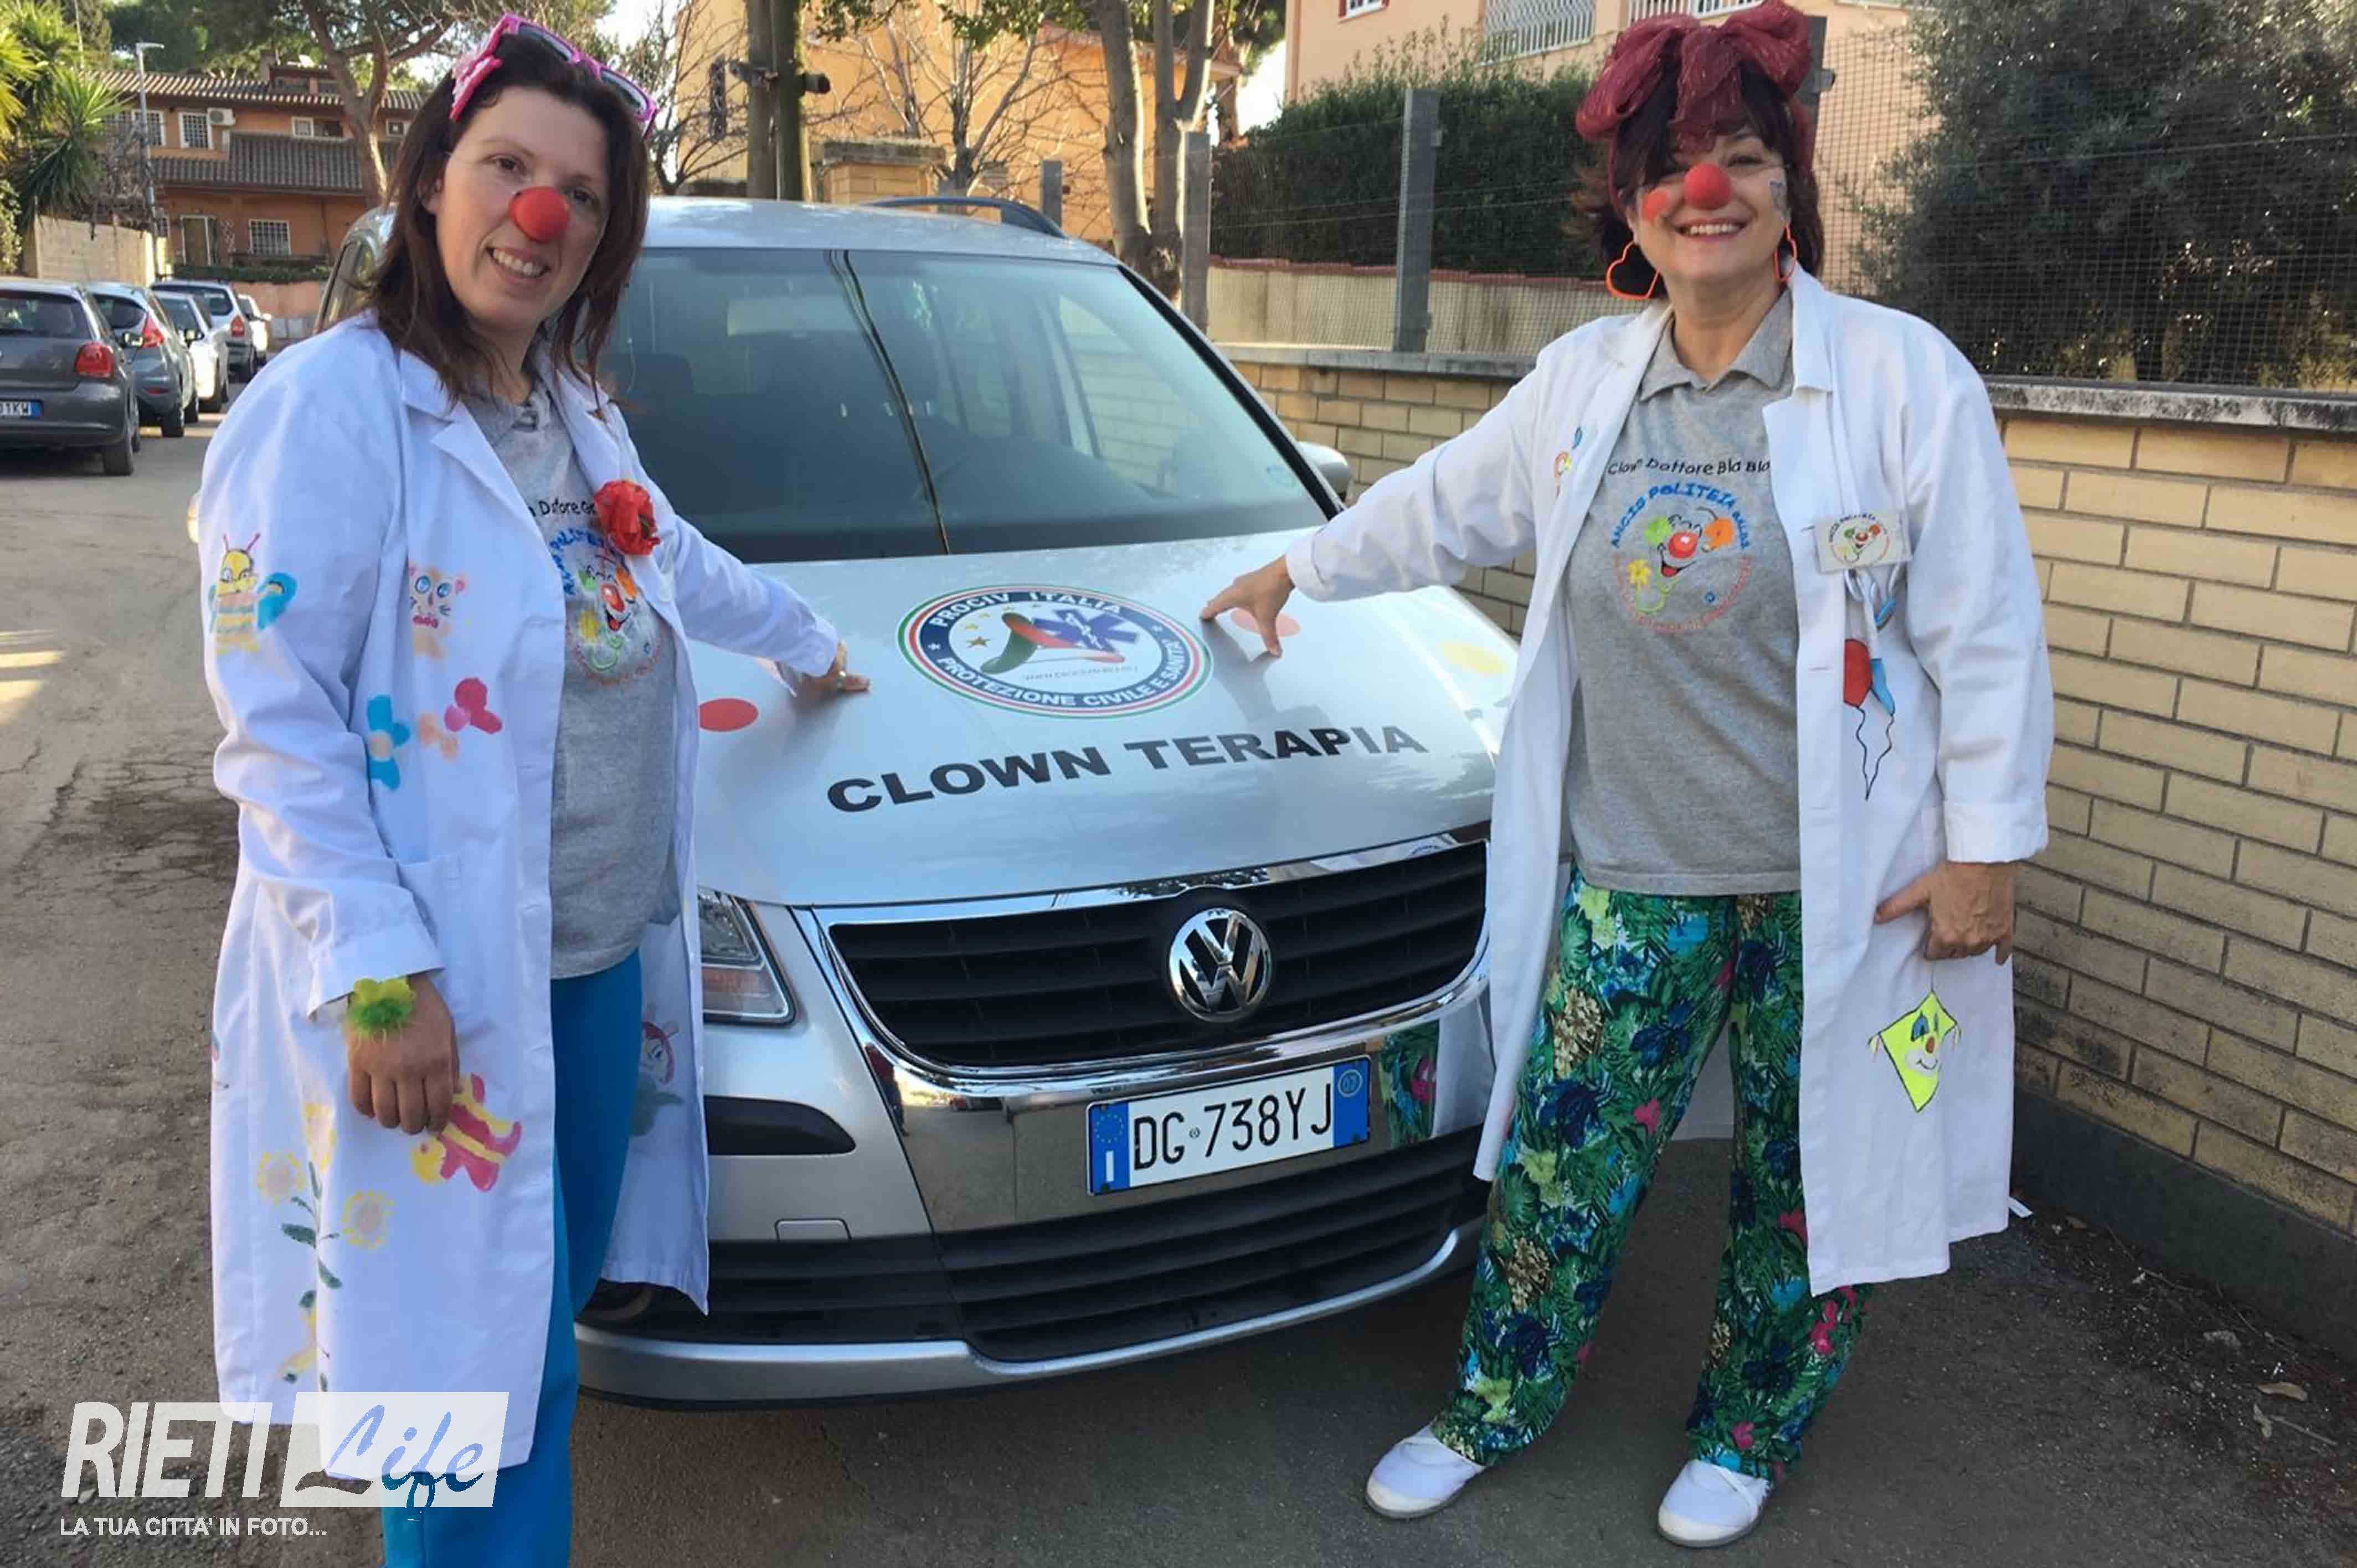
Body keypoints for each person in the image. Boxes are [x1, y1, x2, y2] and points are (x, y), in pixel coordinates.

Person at [1202, 1, 2052, 1548]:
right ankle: (1494, 1405)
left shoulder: (1899, 380)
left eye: (1742, 157)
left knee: (1808, 1184)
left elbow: (1983, 629)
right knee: (1562, 1166)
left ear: (1789, 185)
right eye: (1673, 165)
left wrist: (1987, 852)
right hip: (1636, 874)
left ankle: (1748, 1432)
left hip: (1846, 891)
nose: (1706, 190)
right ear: (1633, 203)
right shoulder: (1585, 381)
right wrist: (1294, 571)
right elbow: (1441, 506)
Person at [197, 17, 868, 1564]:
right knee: (460, 1378)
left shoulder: (570, 405)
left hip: (591, 964)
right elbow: (274, 723)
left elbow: (672, 559)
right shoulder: (333, 408)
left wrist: (814, 643)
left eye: (581, 191)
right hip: (442, 984)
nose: (540, 214)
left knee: (533, 1339)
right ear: (434, 179)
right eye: (507, 165)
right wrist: (379, 974)